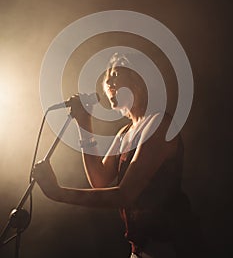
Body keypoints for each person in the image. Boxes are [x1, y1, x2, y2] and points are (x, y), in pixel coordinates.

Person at [33, 53, 202, 257]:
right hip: (141, 248)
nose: (108, 83)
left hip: (168, 246)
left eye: (115, 74)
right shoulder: (125, 133)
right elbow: (99, 180)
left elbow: (125, 195)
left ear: (137, 80)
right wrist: (84, 125)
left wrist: (58, 193)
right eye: (107, 78)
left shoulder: (158, 125)